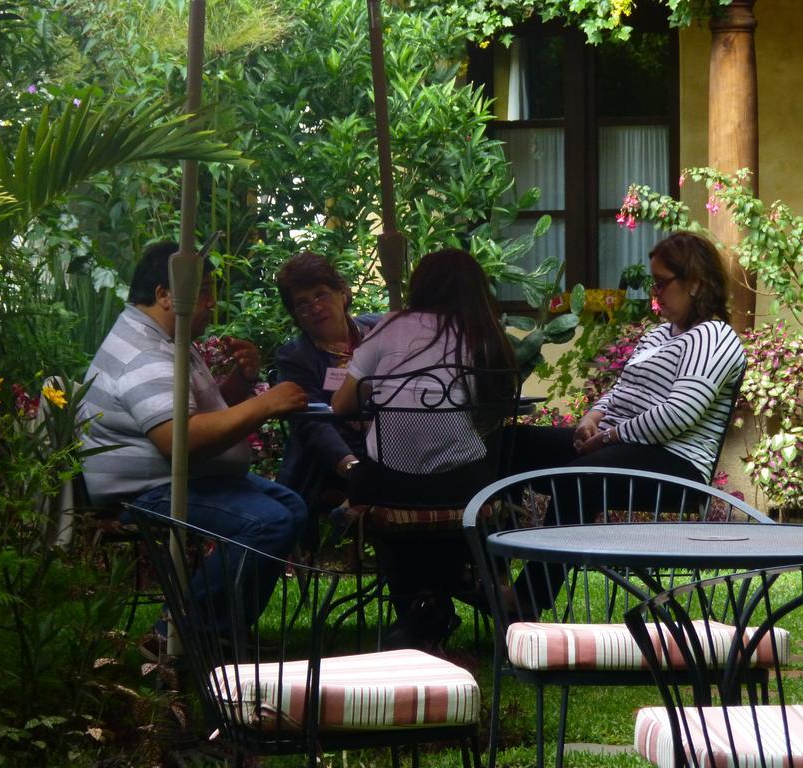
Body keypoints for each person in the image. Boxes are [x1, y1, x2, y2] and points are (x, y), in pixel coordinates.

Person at [80, 240, 309, 634]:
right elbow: (178, 441)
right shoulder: (144, 353)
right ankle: (182, 634)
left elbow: (192, 417)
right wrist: (265, 405)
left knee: (292, 507)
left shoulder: (164, 338)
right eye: (204, 293)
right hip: (147, 489)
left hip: (180, 477)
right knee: (268, 522)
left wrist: (241, 383)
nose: (211, 304)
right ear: (165, 295)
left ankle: (227, 631)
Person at [511, 231, 746, 606]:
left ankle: (524, 600)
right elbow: (621, 391)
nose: (655, 294)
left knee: (580, 479)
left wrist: (606, 438)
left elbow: (678, 413)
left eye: (662, 283)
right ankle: (482, 570)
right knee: (510, 446)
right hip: (619, 446)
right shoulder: (656, 336)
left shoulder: (714, 337)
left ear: (696, 283)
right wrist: (593, 416)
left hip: (675, 465)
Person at [331, 248, 517, 649]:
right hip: (464, 490)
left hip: (388, 486)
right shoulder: (481, 334)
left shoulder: (389, 326)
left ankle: (420, 605)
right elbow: (494, 415)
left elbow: (341, 406)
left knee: (379, 500)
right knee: (469, 483)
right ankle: (459, 588)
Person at [274, 252, 380, 542]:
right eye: (302, 303)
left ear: (343, 294)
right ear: (294, 314)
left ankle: (359, 504)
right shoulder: (295, 357)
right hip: (333, 463)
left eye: (321, 294)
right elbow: (312, 423)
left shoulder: (378, 330)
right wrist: (351, 467)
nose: (315, 308)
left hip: (390, 446)